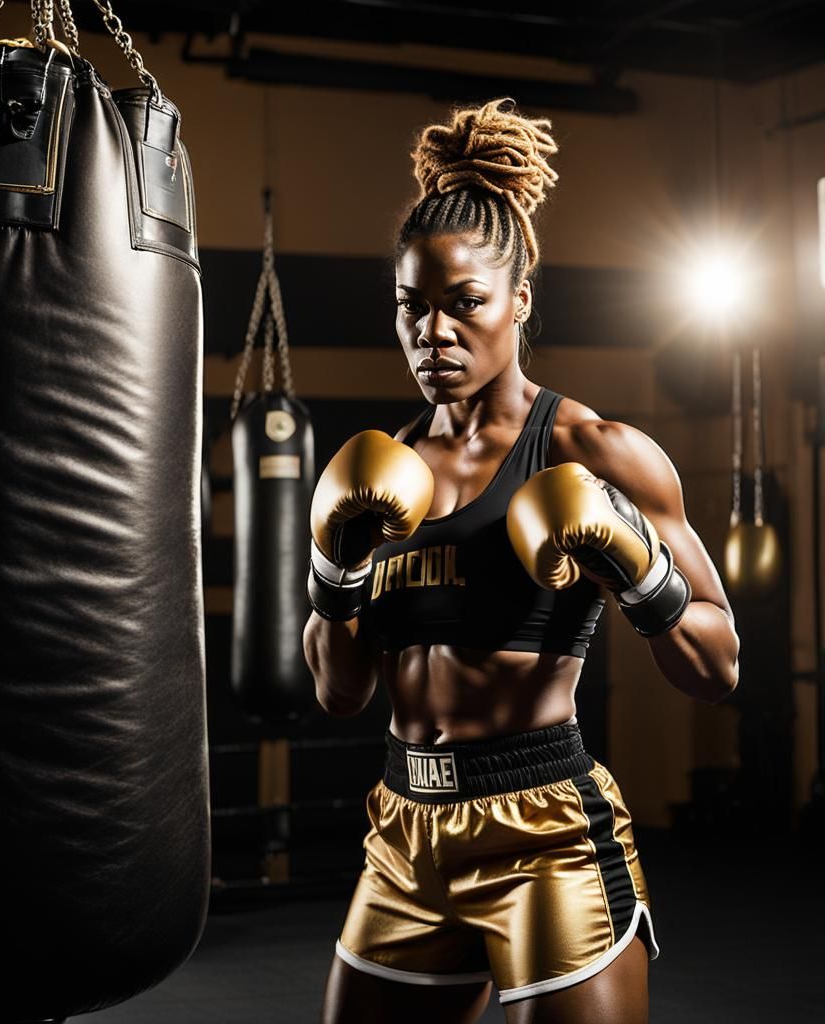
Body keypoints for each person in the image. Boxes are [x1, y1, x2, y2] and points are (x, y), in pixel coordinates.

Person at [303, 98, 739, 1024]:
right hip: (403, 831)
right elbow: (339, 693)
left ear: (520, 300)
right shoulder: (382, 470)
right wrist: (337, 569)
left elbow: (718, 665)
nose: (435, 333)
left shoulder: (595, 450)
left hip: (543, 829)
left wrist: (635, 562)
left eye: (464, 304)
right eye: (410, 309)